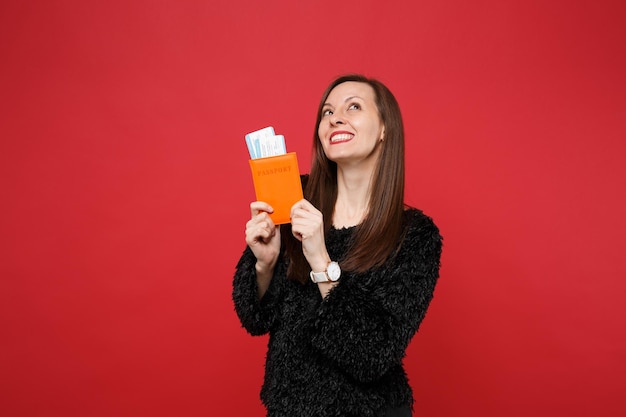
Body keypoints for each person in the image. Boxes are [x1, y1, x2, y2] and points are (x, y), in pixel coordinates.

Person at [232, 74, 442, 417]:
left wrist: (320, 259)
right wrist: (264, 264)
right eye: (327, 112)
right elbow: (255, 320)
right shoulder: (293, 196)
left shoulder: (415, 235)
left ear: (385, 128)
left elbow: (372, 355)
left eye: (353, 107)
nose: (335, 119)